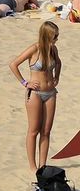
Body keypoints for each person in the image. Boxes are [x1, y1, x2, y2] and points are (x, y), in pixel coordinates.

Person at [10, 21, 61, 171]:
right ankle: (33, 167)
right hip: (35, 94)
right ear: (46, 36)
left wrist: (57, 77)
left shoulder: (53, 50)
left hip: (50, 93)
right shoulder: (34, 49)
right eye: (54, 37)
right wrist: (25, 83)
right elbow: (13, 64)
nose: (56, 40)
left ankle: (42, 165)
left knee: (46, 130)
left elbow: (58, 63)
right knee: (33, 130)